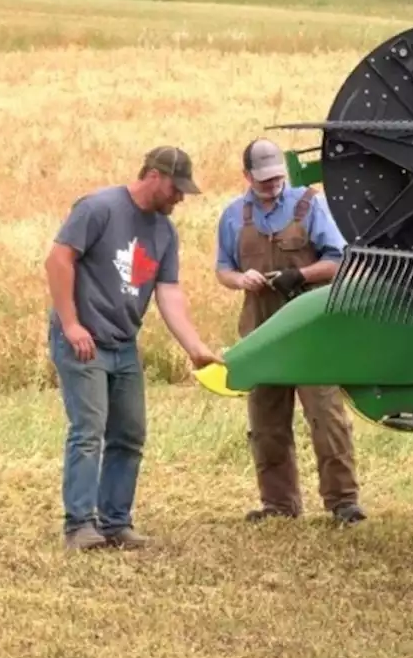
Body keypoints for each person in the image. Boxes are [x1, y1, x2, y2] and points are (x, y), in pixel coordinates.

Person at [44, 145, 223, 551]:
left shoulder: (164, 232)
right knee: (88, 431)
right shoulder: (99, 208)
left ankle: (115, 523)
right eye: (176, 189)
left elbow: (169, 292)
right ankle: (79, 526)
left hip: (123, 343)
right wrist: (71, 325)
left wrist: (195, 347)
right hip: (83, 341)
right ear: (153, 176)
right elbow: (58, 261)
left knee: (129, 434)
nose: (180, 198)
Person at [214, 137, 365, 526]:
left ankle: (343, 502)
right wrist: (240, 279)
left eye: (277, 176)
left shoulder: (310, 205)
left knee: (327, 419)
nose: (271, 184)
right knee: (266, 423)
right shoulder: (233, 216)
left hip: (312, 331)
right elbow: (223, 270)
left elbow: (339, 261)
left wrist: (298, 275)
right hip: (262, 331)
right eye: (263, 179)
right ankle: (279, 504)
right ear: (246, 176)